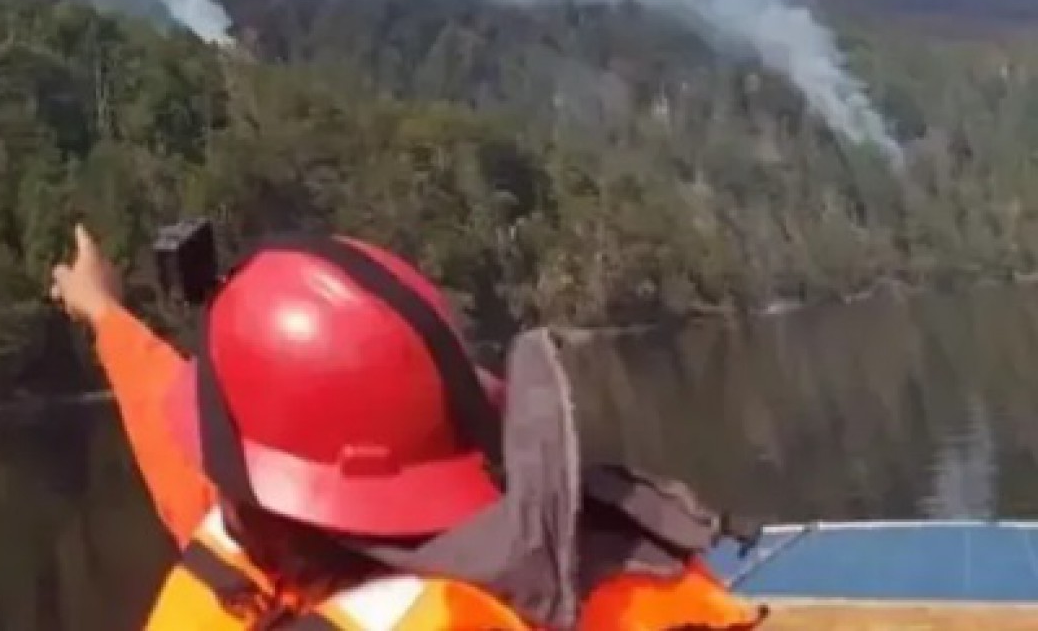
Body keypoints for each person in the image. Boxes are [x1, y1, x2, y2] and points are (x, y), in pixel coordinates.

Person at [51, 223, 767, 631]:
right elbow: (187, 442)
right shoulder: (620, 587)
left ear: (260, 494)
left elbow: (210, 480)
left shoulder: (260, 556)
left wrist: (102, 312)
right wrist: (108, 316)